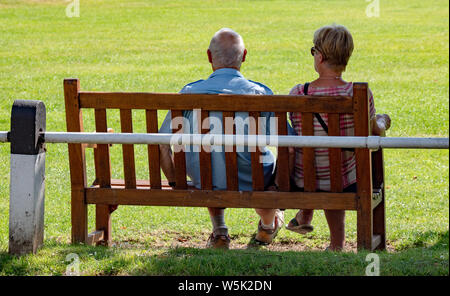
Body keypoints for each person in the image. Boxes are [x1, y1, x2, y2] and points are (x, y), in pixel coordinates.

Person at [158, 28, 284, 249]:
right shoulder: (260, 94)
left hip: (204, 179)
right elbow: (289, 144)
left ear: (209, 56)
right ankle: (267, 225)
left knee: (209, 159)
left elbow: (161, 142)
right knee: (263, 163)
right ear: (244, 56)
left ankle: (220, 231)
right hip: (253, 179)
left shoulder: (189, 93)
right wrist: (277, 184)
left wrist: (174, 181)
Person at [286, 24, 391, 251]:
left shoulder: (298, 93)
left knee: (322, 161)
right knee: (339, 168)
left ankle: (306, 215)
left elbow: (296, 131)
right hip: (346, 181)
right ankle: (336, 244)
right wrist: (383, 121)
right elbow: (374, 132)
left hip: (305, 179)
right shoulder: (358, 94)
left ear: (320, 56)